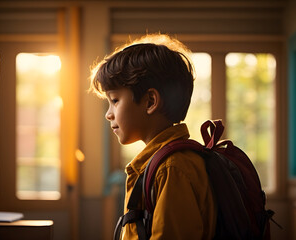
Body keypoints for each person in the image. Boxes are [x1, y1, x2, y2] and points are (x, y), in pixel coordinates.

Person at [90, 33, 216, 239]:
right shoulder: (161, 163)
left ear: (150, 101)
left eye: (115, 100)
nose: (108, 113)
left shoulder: (172, 168)